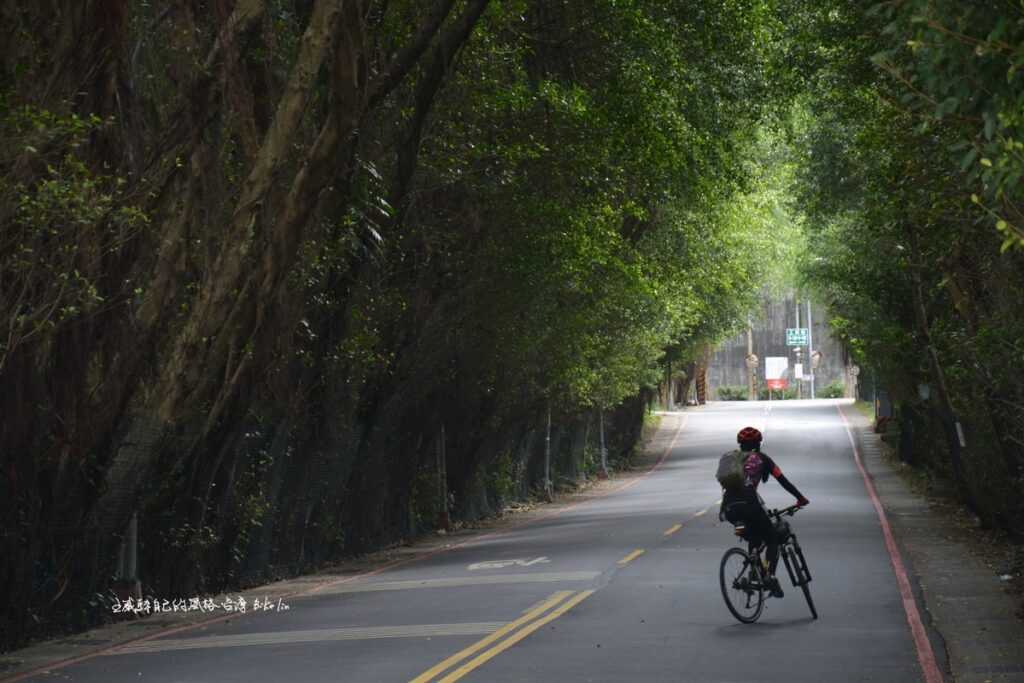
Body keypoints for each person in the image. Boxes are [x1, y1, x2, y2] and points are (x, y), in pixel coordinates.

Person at [720, 426, 809, 597]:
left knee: (754, 534)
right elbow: (784, 481)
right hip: (750, 503)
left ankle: (753, 573)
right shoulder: (763, 458)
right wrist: (800, 498)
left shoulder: (732, 459)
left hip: (729, 508)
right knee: (771, 537)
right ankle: (770, 576)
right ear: (758, 444)